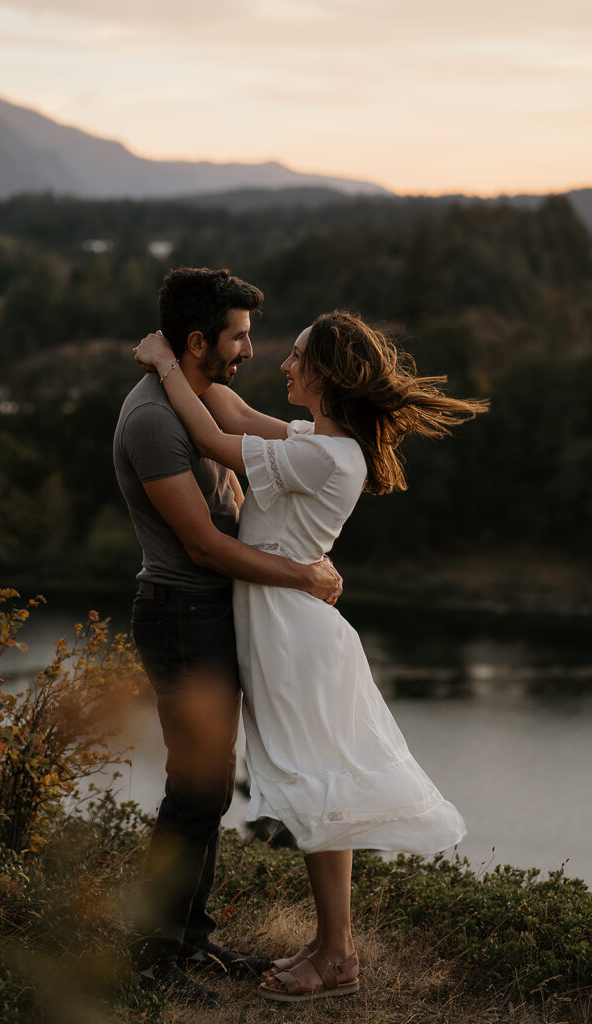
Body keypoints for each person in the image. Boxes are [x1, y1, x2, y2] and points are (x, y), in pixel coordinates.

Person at [134, 309, 489, 1003]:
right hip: (288, 630)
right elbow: (231, 407)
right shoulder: (317, 442)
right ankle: (334, 950)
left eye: (297, 357)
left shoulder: (318, 455)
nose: (285, 365)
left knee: (319, 794)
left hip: (292, 639)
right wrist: (191, 362)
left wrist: (165, 365)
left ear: (325, 372)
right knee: (320, 794)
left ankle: (336, 957)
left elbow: (210, 433)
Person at [113, 267, 342, 1008]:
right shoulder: (152, 419)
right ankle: (155, 960)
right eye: (238, 337)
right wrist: (299, 576)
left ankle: (188, 938)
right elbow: (203, 545)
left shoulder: (199, 398)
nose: (249, 349)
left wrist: (321, 530)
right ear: (196, 341)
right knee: (195, 791)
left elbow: (256, 460)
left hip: (213, 616)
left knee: (208, 791)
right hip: (181, 616)